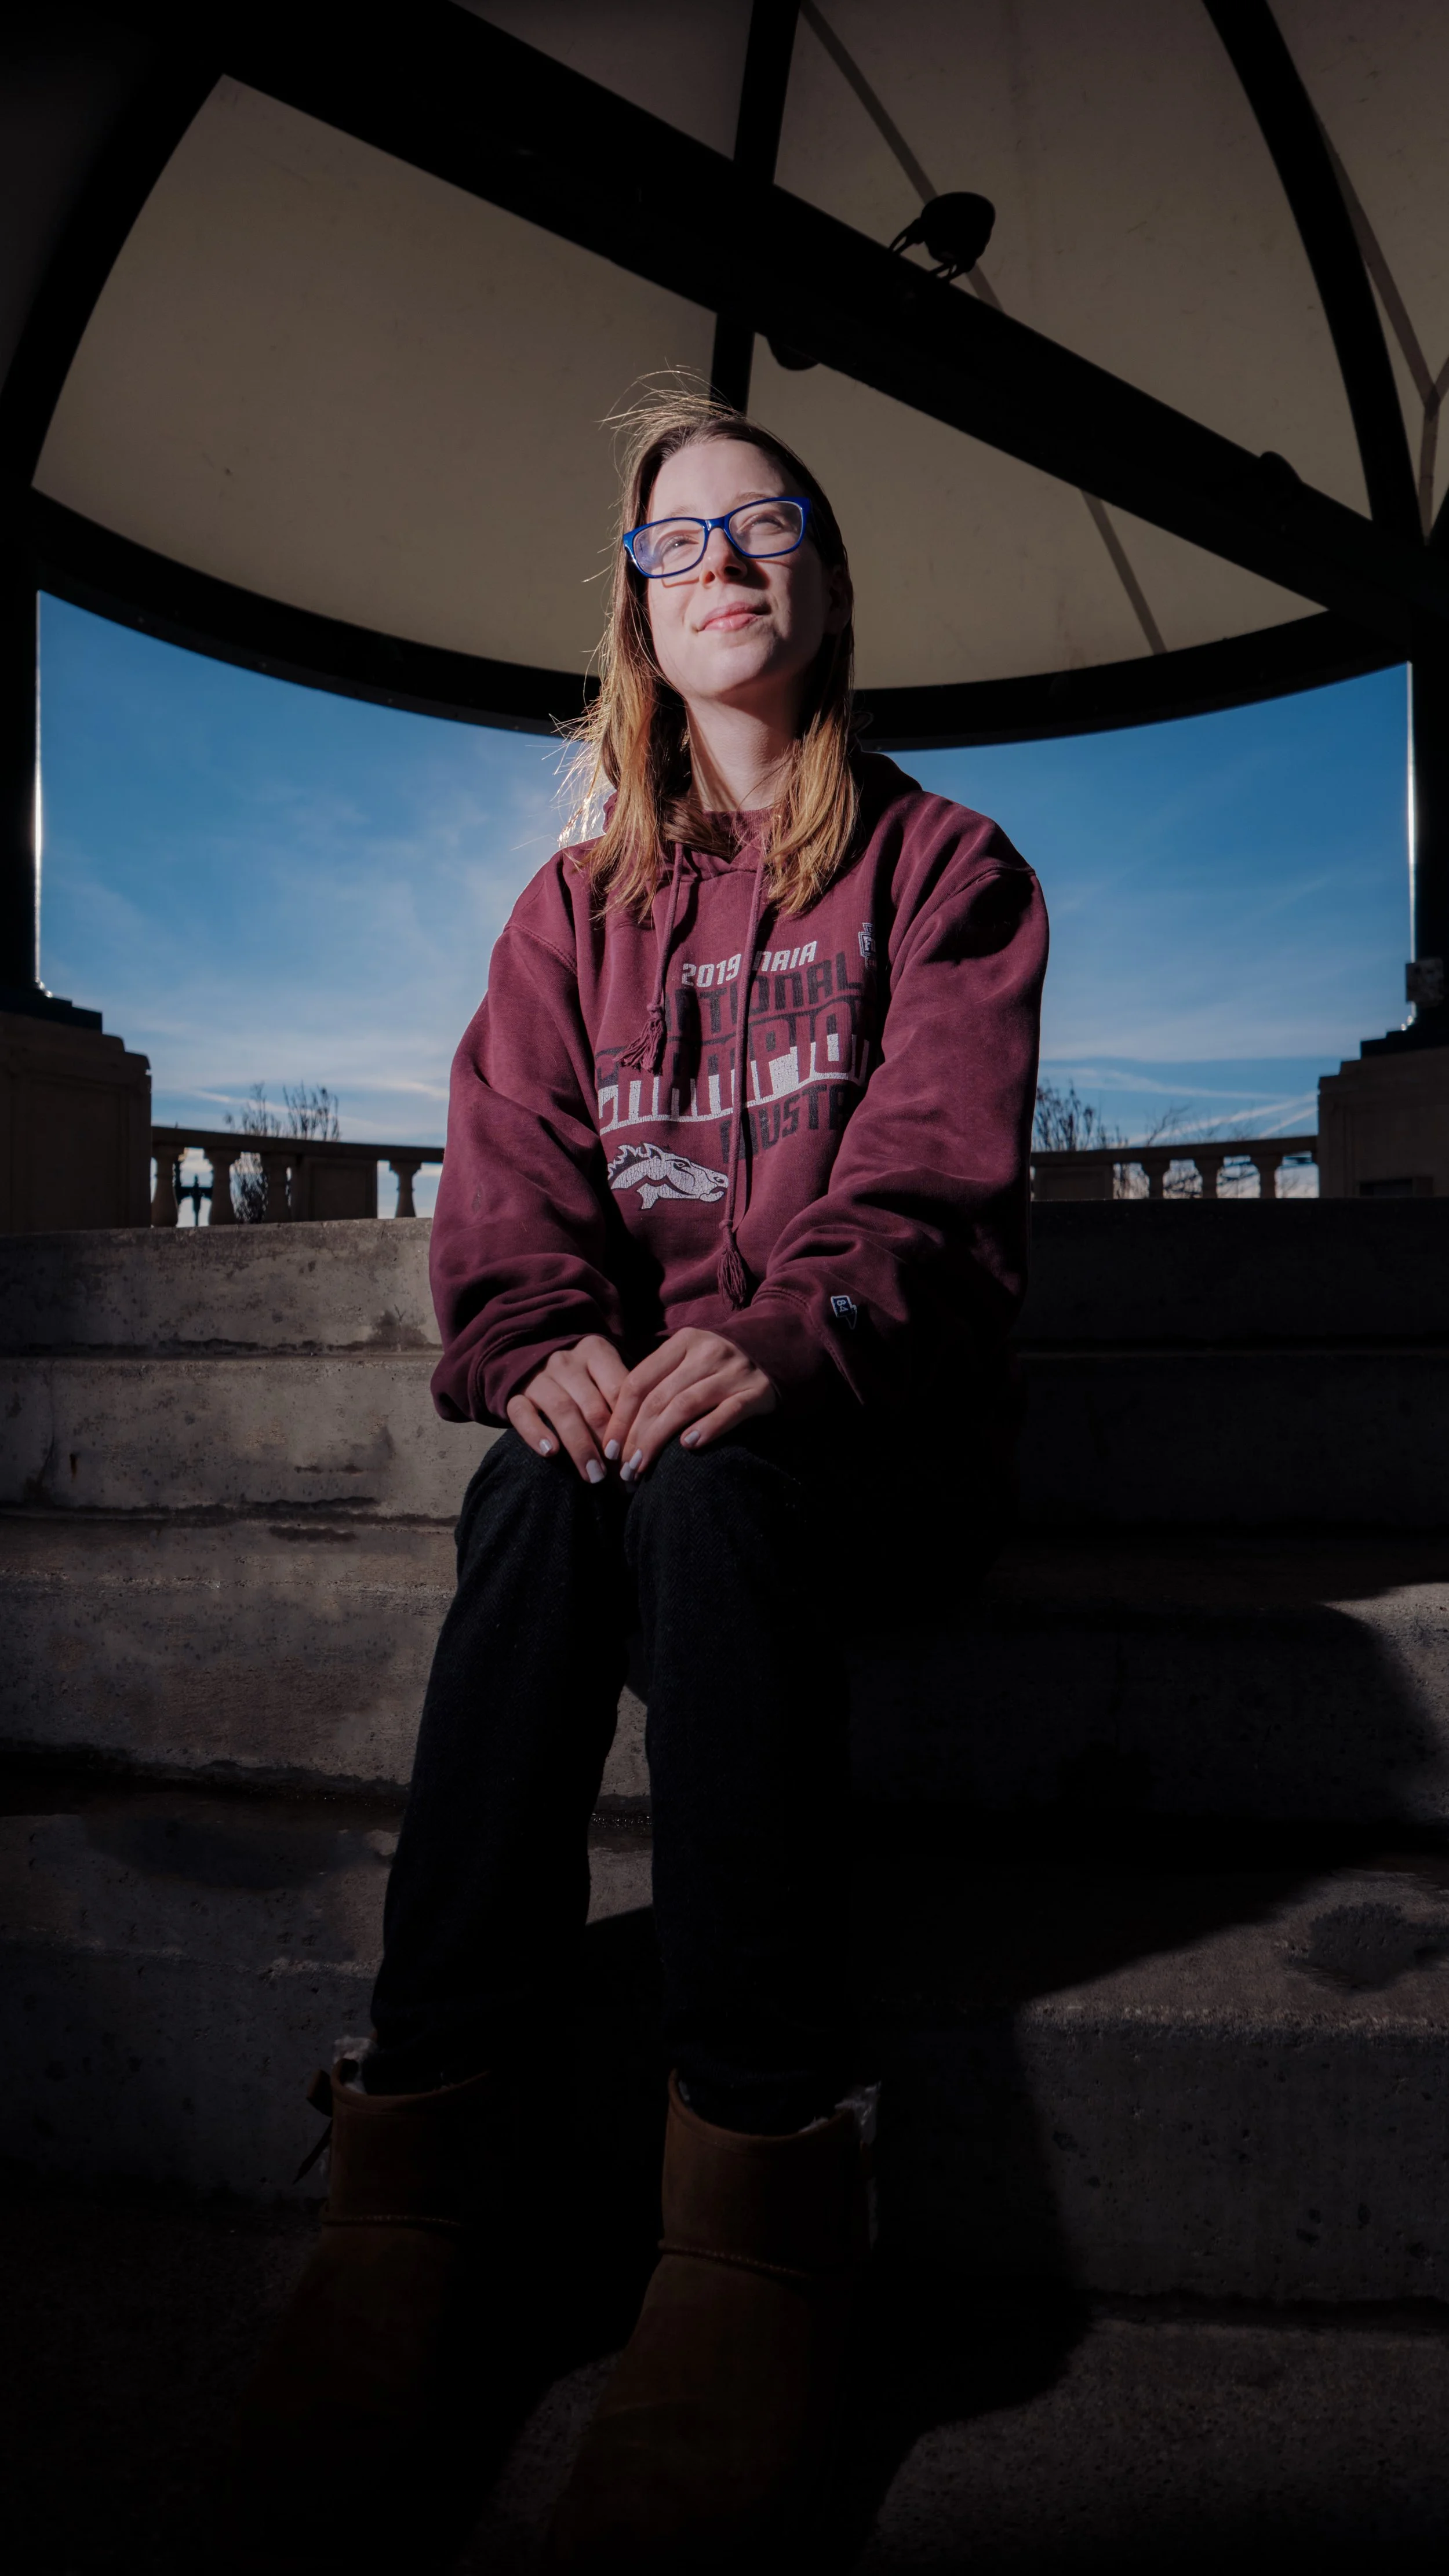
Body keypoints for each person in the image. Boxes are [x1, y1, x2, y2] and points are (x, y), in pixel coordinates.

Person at [230, 387, 1047, 2571]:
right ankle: (415, 2168)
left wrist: (768, 1345)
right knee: (539, 1483)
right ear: (635, 608)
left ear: (826, 580)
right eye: (676, 542)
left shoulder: (947, 868)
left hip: (859, 1444)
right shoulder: (574, 908)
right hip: (650, 1452)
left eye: (763, 528)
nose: (720, 565)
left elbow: (930, 1191)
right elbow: (506, 1198)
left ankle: (765, 2199)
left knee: (705, 1478)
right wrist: (540, 1353)